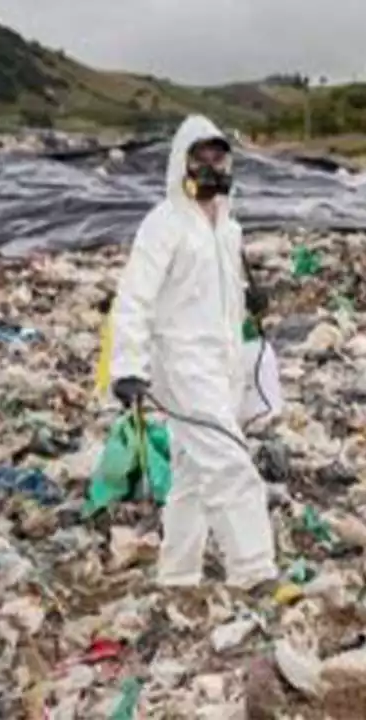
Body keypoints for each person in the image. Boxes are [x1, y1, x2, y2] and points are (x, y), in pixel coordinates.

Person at [108, 115, 277, 591]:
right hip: (181, 364)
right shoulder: (164, 224)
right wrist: (128, 366)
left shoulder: (228, 227)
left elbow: (216, 295)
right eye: (199, 156)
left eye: (217, 155)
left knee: (191, 473)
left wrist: (250, 307)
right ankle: (255, 570)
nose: (209, 165)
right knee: (229, 463)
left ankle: (177, 573)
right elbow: (134, 297)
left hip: (221, 363)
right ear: (181, 162)